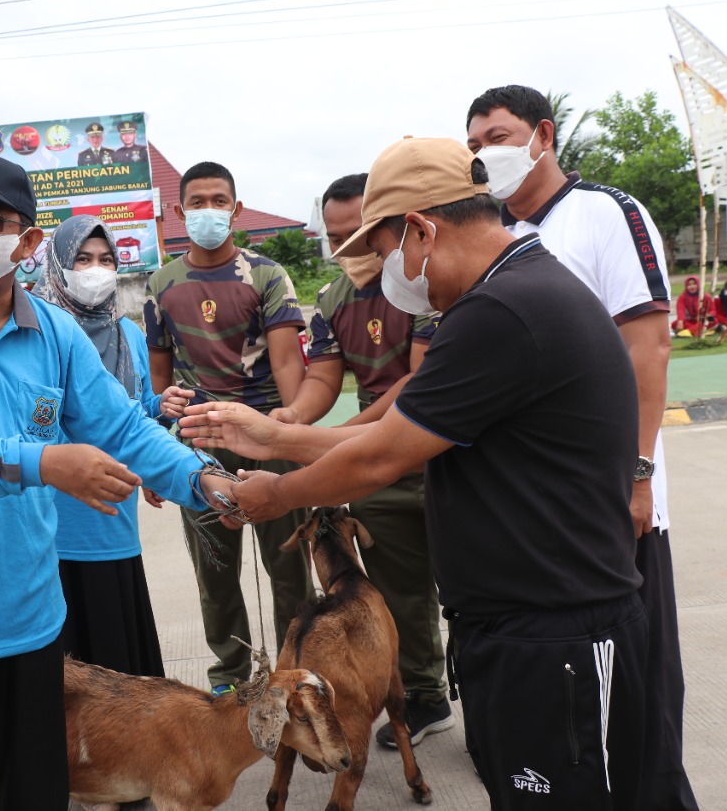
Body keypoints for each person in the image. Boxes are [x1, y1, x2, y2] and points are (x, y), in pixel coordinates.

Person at [183, 137, 649, 810]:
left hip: (557, 633)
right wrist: (274, 434)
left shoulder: (499, 311)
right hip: (526, 624)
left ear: (423, 229)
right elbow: (387, 428)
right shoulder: (512, 292)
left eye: (385, 245)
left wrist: (274, 492)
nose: (386, 269)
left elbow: (381, 456)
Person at [0, 151, 235, 810]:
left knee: (36, 794)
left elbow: (123, 428)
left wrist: (206, 481)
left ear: (28, 242)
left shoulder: (55, 331)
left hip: (31, 621)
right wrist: (45, 463)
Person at [466, 84, 697, 811]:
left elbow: (647, 347)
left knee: (639, 694)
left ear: (542, 133)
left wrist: (636, 475)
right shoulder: (495, 234)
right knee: (566, 709)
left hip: (613, 501)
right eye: (473, 145)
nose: (485, 155)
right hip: (543, 519)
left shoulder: (603, 213)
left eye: (496, 136)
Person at [273, 172, 451, 749]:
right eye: (334, 235)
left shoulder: (429, 284)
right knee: (400, 591)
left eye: (358, 232)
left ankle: (485, 678)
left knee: (470, 584)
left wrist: (346, 436)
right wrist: (296, 417)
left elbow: (419, 380)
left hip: (444, 450)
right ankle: (426, 695)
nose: (348, 247)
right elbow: (325, 376)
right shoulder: (330, 301)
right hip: (382, 465)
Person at [143, 160, 311, 695]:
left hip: (267, 436)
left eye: (219, 201)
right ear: (178, 212)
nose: (208, 211)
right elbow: (160, 380)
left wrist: (296, 439)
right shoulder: (161, 283)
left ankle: (294, 670)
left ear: (235, 210)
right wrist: (155, 458)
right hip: (198, 449)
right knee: (215, 573)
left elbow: (288, 365)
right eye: (197, 202)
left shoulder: (267, 275)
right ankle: (230, 674)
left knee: (288, 571)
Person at [34, 215, 192, 677]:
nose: (95, 269)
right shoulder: (37, 335)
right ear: (57, 264)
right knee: (66, 683)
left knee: (121, 677)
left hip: (114, 523)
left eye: (105, 259)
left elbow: (135, 413)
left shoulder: (130, 337)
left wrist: (162, 409)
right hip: (55, 528)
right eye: (82, 258)